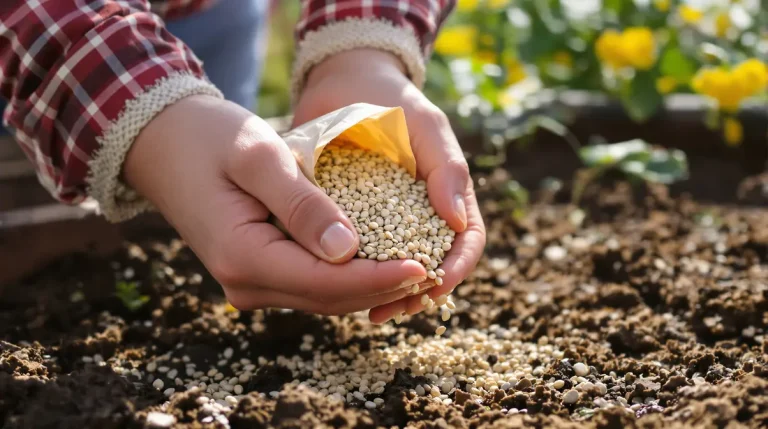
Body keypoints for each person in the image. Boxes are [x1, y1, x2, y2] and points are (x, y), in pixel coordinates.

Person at [0, 0, 485, 323]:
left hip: (210, 13)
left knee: (226, 196)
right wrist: (150, 115)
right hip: (36, 29)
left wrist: (362, 47)